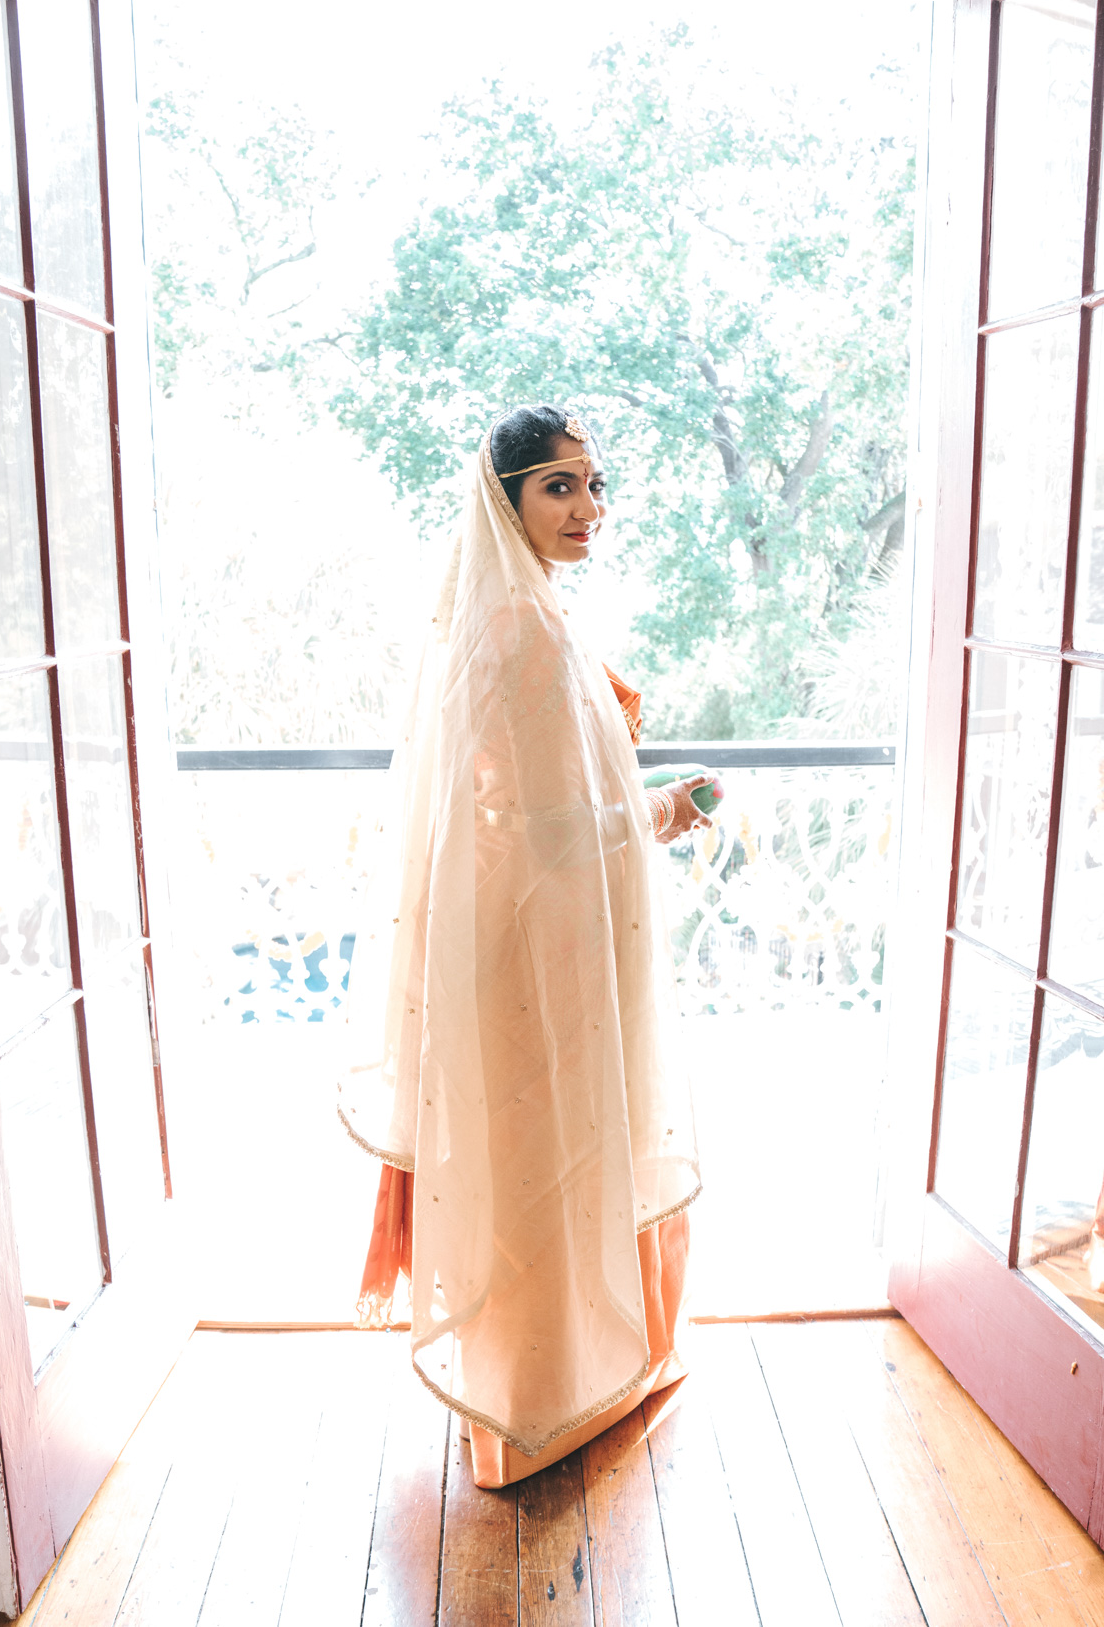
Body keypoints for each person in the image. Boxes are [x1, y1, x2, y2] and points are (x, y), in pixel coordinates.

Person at [338, 403, 707, 1488]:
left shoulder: (525, 612)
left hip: (541, 936)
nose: (589, 508)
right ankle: (530, 1408)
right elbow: (542, 827)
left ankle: (557, 1392)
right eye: (559, 486)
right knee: (542, 1157)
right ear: (505, 504)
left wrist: (634, 799)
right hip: (528, 949)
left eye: (596, 484)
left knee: (550, 1152)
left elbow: (546, 798)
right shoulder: (516, 630)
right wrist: (659, 813)